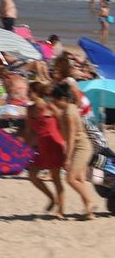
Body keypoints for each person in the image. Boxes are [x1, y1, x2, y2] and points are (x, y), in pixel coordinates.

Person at [50, 82, 96, 219]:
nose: (54, 102)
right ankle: (89, 211)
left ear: (63, 99)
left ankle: (90, 202)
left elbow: (71, 136)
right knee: (80, 178)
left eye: (56, 100)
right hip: (79, 146)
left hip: (81, 146)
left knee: (70, 178)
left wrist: (68, 157)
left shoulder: (69, 112)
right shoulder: (69, 109)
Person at [24, 81, 65, 217]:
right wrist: (26, 148)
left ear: (37, 93)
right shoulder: (29, 110)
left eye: (30, 92)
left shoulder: (49, 106)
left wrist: (66, 142)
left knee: (56, 178)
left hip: (54, 144)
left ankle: (60, 210)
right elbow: (30, 132)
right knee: (32, 176)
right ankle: (51, 198)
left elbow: (62, 123)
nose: (27, 94)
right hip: (41, 147)